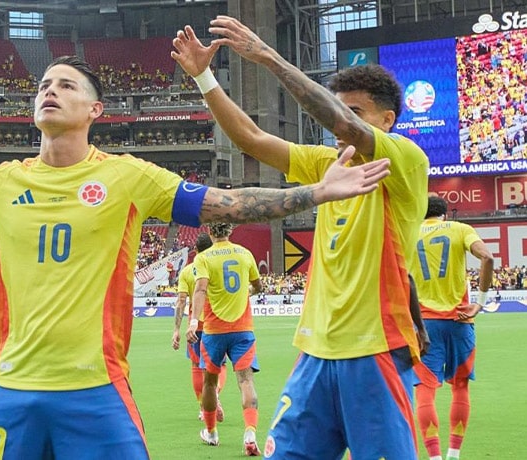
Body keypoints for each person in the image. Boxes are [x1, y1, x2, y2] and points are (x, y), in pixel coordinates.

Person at [0, 55, 390, 459]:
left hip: (96, 389)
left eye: (67, 84)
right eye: (44, 84)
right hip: (9, 391)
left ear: (95, 112)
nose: (50, 90)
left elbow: (226, 202)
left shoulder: (128, 177)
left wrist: (315, 192)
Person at [171, 17, 428, 458]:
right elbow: (251, 139)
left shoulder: (403, 161)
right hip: (313, 353)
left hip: (376, 352)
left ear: (387, 120)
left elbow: (343, 125)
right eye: (340, 110)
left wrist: (268, 57)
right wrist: (204, 77)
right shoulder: (325, 162)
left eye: (355, 111)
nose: (339, 125)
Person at [411, 196, 494, 460]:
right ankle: (453, 454)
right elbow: (487, 256)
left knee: (425, 391)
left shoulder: (408, 233)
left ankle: (434, 457)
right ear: (445, 215)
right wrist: (479, 303)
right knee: (460, 387)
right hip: (460, 321)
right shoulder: (461, 229)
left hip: (424, 325)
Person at [186, 222, 262, 456]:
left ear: (210, 232)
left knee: (210, 382)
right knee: (246, 381)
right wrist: (246, 293)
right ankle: (250, 433)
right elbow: (257, 286)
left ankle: (211, 432)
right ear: (231, 231)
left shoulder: (204, 258)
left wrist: (193, 322)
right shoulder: (244, 253)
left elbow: (199, 289)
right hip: (243, 329)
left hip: (214, 331)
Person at [171, 232, 226, 422]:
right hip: (217, 322)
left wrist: (176, 330)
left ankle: (204, 407)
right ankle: (215, 393)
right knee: (220, 364)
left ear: (195, 250)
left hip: (196, 326)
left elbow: (180, 302)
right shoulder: (216, 266)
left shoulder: (186, 272)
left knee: (196, 366)